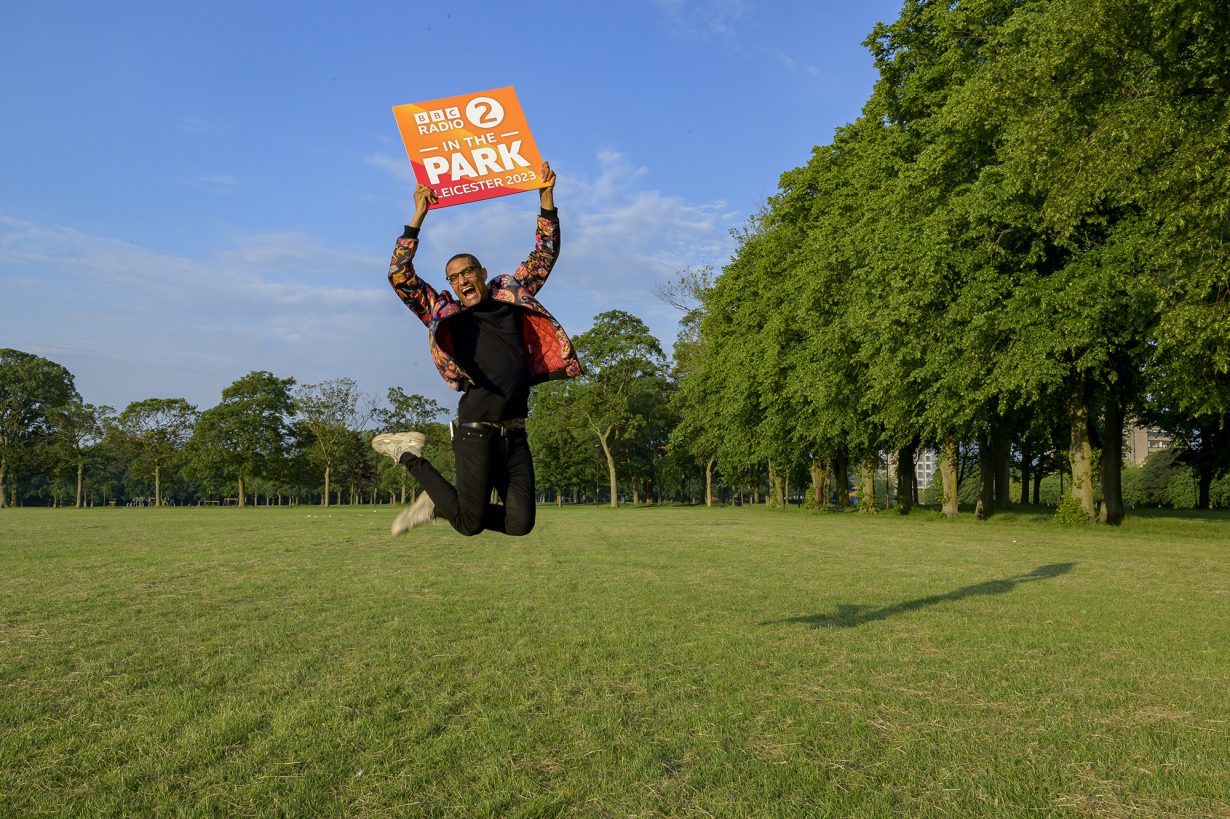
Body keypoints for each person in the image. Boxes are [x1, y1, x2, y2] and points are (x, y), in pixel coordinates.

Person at [372, 162, 582, 536]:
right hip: (476, 429)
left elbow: (544, 254)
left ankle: (440, 500)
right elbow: (399, 276)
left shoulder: (511, 294)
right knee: (469, 525)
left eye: (467, 272)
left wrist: (545, 197)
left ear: (482, 273)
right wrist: (417, 217)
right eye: (453, 277)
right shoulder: (444, 312)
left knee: (520, 524)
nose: (461, 280)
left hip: (515, 431)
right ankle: (408, 455)